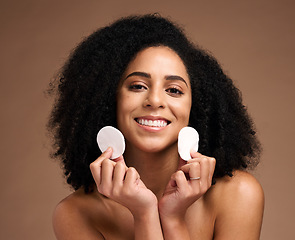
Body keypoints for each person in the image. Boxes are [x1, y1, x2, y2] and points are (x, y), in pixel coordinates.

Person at [48, 14, 264, 239]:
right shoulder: (76, 214)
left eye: (174, 90)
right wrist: (144, 213)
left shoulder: (239, 194)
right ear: (108, 99)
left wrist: (173, 218)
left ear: (195, 107)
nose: (155, 100)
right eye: (138, 86)